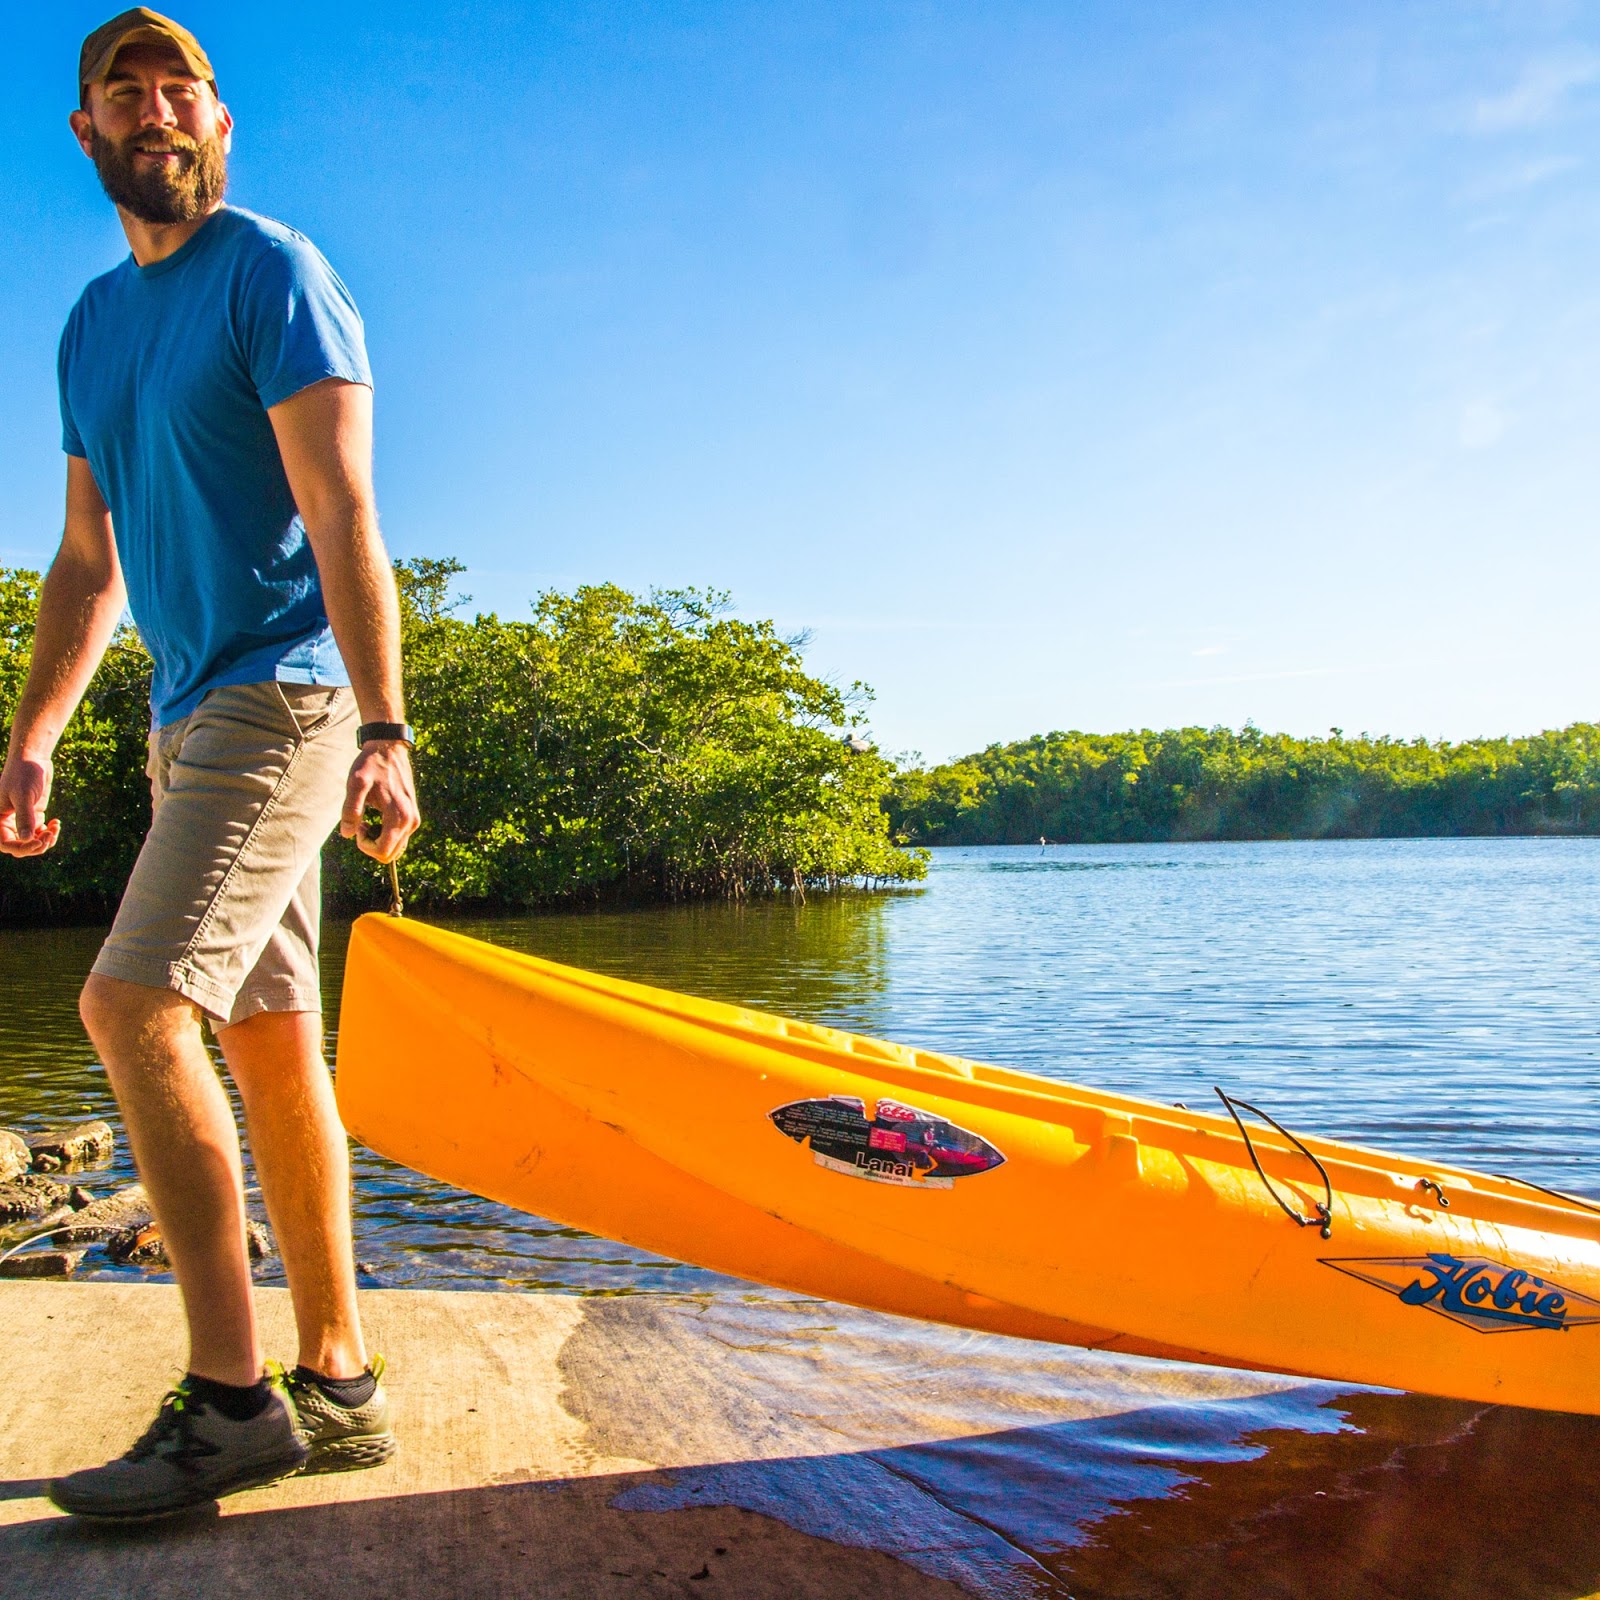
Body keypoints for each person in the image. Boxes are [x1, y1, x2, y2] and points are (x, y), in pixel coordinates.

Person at [0, 9, 420, 1519]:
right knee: (265, 1040)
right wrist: (37, 735)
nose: (156, 105)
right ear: (88, 134)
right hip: (185, 721)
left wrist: (384, 728)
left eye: (182, 84)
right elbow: (82, 557)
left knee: (128, 1004)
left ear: (220, 122)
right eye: (125, 88)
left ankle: (231, 1400)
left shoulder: (277, 274)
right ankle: (338, 1377)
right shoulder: (91, 324)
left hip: (287, 702)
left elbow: (344, 514)